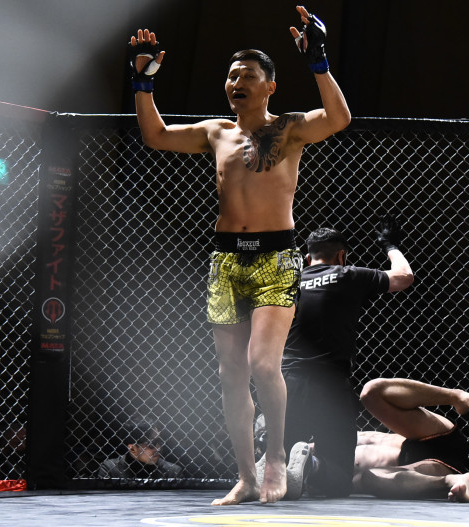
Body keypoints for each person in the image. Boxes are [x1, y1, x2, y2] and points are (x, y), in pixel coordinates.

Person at [128, 5, 351, 505]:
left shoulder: (289, 128)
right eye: (232, 76)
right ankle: (246, 476)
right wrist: (143, 84)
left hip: (275, 259)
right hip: (226, 261)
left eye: (248, 75)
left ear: (270, 86)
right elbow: (155, 136)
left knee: (263, 365)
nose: (237, 82)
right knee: (230, 374)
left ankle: (276, 460)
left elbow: (339, 119)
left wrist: (318, 63)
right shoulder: (216, 133)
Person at [273, 215, 414, 499]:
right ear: (341, 255)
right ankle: (311, 466)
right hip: (330, 384)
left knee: (283, 470)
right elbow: (404, 277)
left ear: (308, 257)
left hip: (288, 381)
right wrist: (390, 246)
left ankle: (281, 460)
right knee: (338, 481)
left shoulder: (288, 283)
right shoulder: (348, 274)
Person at [353, 377, 469, 502]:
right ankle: (452, 481)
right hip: (421, 472)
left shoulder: (343, 432)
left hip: (428, 437)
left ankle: (455, 396)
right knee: (371, 479)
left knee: (370, 392)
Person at [98, 416, 183, 479]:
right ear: (132, 448)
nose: (158, 448)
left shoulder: (173, 471)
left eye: (159, 442)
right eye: (151, 444)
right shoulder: (110, 469)